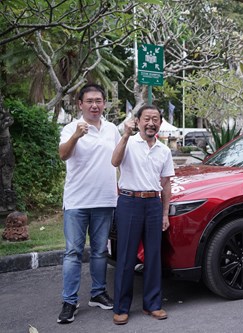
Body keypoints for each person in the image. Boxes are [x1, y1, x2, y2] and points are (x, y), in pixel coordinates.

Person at [57, 83, 121, 324]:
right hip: (77, 202)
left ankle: (98, 293)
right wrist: (76, 136)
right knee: (73, 252)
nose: (95, 105)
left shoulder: (112, 128)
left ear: (104, 104)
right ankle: (69, 301)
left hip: (105, 200)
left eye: (99, 101)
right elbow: (63, 154)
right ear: (80, 104)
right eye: (90, 101)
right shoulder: (71, 128)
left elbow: (119, 157)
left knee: (100, 251)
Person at [111, 105, 175, 325]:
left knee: (154, 256)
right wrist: (125, 135)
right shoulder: (128, 142)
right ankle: (121, 307)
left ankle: (152, 304)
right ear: (137, 121)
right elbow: (114, 162)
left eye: (155, 119)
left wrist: (165, 213)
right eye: (147, 118)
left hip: (154, 204)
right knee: (127, 256)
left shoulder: (164, 150)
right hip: (129, 202)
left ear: (160, 123)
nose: (151, 123)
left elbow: (166, 184)